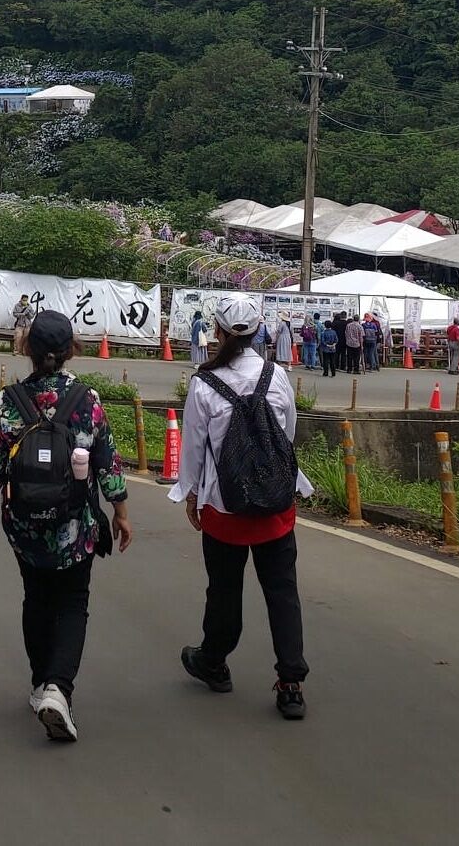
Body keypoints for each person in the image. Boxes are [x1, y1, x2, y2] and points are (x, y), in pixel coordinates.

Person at [0, 310, 132, 744]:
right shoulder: (86, 399)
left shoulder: (8, 401)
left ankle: (41, 682)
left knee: (36, 598)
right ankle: (59, 688)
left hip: (24, 526)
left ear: (28, 348)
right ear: (71, 350)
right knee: (73, 602)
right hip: (74, 523)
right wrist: (120, 511)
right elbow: (107, 462)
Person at [173, 293, 310, 720]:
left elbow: (194, 446)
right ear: (258, 331)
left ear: (216, 331)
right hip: (274, 506)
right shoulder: (277, 375)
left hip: (223, 505)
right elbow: (286, 435)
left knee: (224, 588)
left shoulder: (205, 383)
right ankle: (291, 683)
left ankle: (214, 661)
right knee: (282, 591)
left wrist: (190, 493)